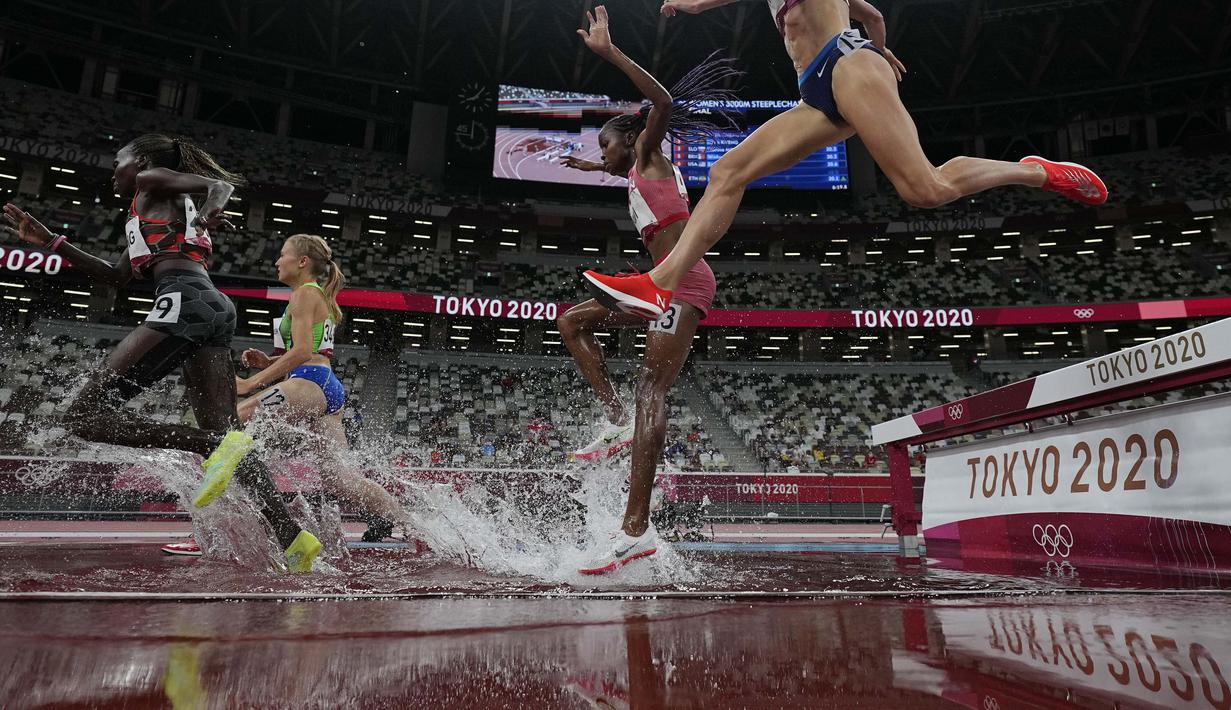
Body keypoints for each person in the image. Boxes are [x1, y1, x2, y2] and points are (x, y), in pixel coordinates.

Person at [579, 0, 1109, 319]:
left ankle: (1034, 170)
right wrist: (883, 48)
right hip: (820, 90)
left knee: (924, 189)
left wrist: (691, 5)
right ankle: (660, 283)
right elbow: (873, 13)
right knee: (727, 171)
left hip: (846, 67)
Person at [2, 135, 320, 571]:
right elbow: (117, 275)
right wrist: (53, 242)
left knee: (79, 417)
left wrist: (207, 214)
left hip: (185, 301)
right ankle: (293, 538)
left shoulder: (151, 182)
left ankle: (215, 444)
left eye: (120, 162)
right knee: (228, 435)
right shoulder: (148, 208)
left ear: (143, 163)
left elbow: (219, 187)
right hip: (211, 308)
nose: (115, 170)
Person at [555, 6, 738, 574]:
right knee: (571, 321)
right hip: (656, 287)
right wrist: (588, 167)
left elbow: (662, 104)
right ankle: (612, 423)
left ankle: (637, 531)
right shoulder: (634, 169)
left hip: (685, 285)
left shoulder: (651, 151)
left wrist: (610, 53)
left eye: (607, 148)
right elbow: (614, 168)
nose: (604, 156)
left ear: (630, 142)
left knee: (650, 393)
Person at [161, 234, 411, 555]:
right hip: (325, 388)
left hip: (310, 381)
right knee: (341, 480)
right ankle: (413, 526)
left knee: (221, 430)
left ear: (302, 262)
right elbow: (311, 350)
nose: (278, 261)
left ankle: (209, 535)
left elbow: (304, 351)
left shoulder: (303, 294)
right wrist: (270, 362)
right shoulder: (311, 294)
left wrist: (252, 383)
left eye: (283, 255)